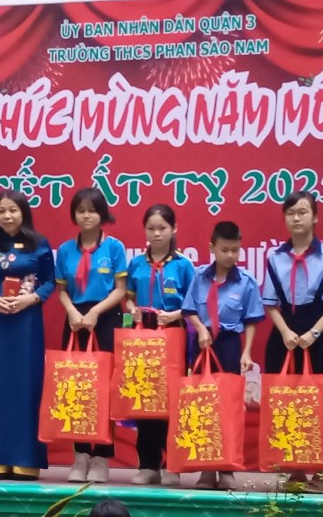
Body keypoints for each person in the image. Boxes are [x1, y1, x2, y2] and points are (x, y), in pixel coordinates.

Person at [262, 190, 323, 491]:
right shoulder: (275, 257)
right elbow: (270, 304)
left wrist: (314, 333)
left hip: (320, 332)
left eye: (303, 212)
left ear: (315, 217)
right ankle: (294, 471)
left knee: (321, 402)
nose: (296, 218)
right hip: (285, 336)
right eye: (291, 213)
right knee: (288, 401)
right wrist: (285, 332)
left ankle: (320, 471)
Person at [0, 189, 56, 481]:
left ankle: (26, 459)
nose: (7, 216)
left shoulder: (39, 244)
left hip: (27, 322)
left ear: (23, 212)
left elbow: (50, 282)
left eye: (13, 210)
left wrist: (31, 299)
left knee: (26, 385)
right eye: (1, 211)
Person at [181, 221, 265, 490]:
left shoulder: (246, 282)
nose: (230, 255)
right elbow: (189, 310)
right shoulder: (199, 276)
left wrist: (247, 352)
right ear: (212, 248)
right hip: (202, 346)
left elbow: (251, 320)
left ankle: (227, 467)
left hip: (229, 345)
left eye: (235, 250)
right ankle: (206, 468)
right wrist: (199, 329)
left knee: (229, 407)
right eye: (225, 250)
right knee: (204, 405)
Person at [54, 188, 127, 483]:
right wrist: (73, 312)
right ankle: (81, 455)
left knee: (104, 389)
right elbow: (61, 290)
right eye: (81, 210)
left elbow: (121, 290)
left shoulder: (114, 247)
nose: (87, 216)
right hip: (75, 320)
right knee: (78, 388)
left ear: (102, 214)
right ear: (74, 214)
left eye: (93, 210)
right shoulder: (65, 250)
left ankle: (101, 457)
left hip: (106, 317)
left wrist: (96, 311)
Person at [124, 204, 195, 486]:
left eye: (162, 228)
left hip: (173, 334)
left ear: (174, 229)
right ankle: (148, 465)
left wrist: (175, 314)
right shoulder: (136, 263)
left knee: (171, 402)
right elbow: (128, 297)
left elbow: (193, 303)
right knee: (145, 401)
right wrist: (133, 310)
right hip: (143, 335)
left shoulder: (184, 264)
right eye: (151, 228)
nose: (156, 234)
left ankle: (171, 465)